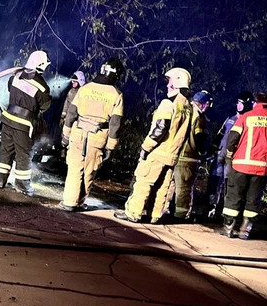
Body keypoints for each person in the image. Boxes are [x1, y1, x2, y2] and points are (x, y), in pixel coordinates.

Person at [114, 67, 193, 223]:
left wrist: (146, 147)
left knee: (143, 182)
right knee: (162, 187)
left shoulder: (168, 103)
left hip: (158, 152)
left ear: (177, 82)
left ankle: (133, 213)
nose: (167, 85)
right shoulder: (187, 107)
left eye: (169, 81)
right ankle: (154, 216)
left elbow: (160, 128)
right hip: (172, 156)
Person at [59, 58, 124, 211]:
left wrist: (65, 135)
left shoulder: (85, 88)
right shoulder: (116, 94)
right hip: (97, 137)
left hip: (77, 133)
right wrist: (111, 146)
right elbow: (115, 124)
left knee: (74, 168)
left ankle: (69, 202)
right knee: (89, 170)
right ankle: (80, 202)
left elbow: (71, 114)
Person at [0, 50, 52, 196]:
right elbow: (45, 106)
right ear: (41, 65)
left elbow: (9, 89)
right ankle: (22, 184)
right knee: (24, 153)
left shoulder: (16, 76)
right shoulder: (42, 86)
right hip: (24, 123)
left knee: (6, 150)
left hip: (8, 119)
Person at [219, 92, 267, 239]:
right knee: (253, 199)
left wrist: (229, 154)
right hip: (261, 167)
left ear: (255, 103)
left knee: (234, 196)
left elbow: (232, 137)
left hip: (240, 165)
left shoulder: (246, 117)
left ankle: (228, 229)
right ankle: (245, 231)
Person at [206, 91, 255, 217]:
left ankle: (226, 213)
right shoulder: (230, 119)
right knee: (214, 181)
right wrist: (212, 149)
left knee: (229, 185)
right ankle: (210, 208)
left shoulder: (247, 121)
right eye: (238, 102)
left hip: (232, 158)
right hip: (220, 156)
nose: (238, 105)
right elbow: (220, 134)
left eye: (241, 103)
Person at [167, 90, 213, 221]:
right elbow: (200, 137)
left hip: (174, 154)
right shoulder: (199, 117)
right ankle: (181, 215)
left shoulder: (184, 109)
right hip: (188, 158)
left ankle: (163, 210)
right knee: (184, 189)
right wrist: (203, 153)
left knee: (170, 184)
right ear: (204, 104)